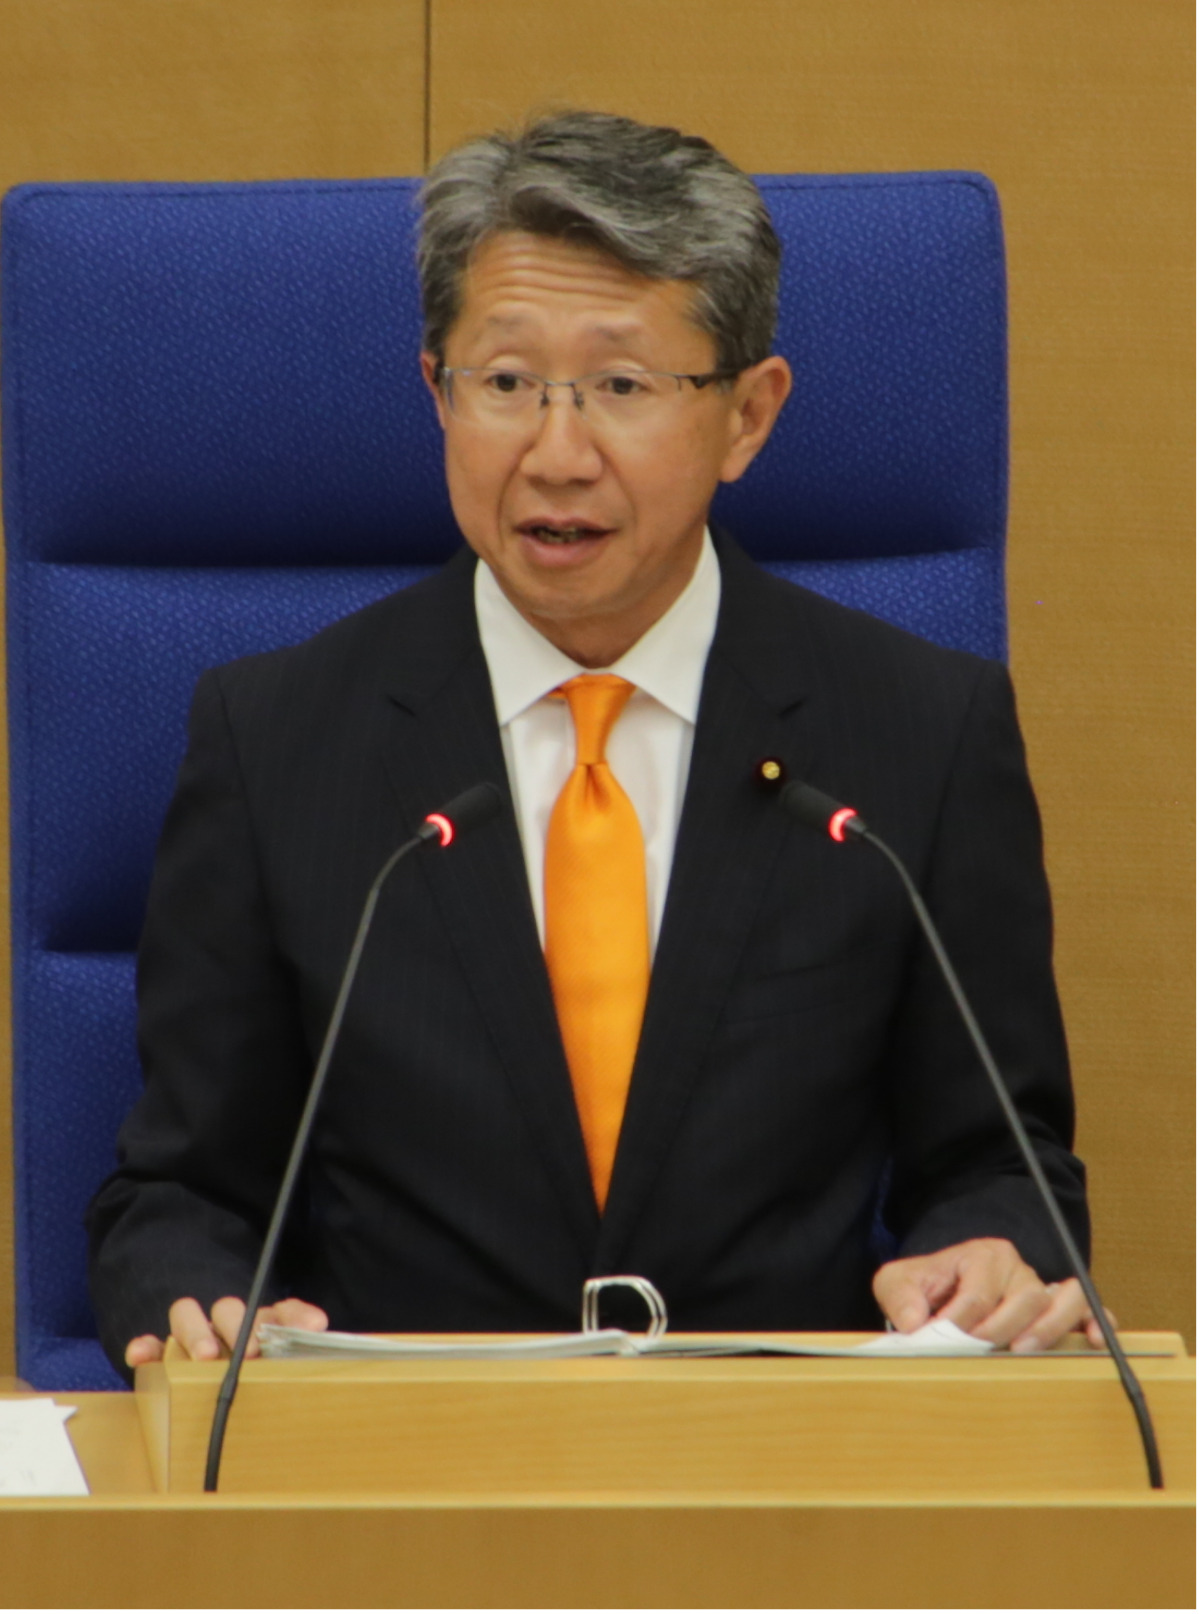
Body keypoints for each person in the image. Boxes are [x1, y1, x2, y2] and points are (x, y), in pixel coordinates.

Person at [87, 111, 1101, 1378]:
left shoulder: (919, 735)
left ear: (746, 416)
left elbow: (1002, 1167)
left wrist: (984, 1256)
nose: (554, 455)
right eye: (505, 383)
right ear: (436, 393)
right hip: (406, 1464)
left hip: (777, 1463)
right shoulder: (275, 740)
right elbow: (178, 1195)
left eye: (621, 387)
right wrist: (201, 1298)